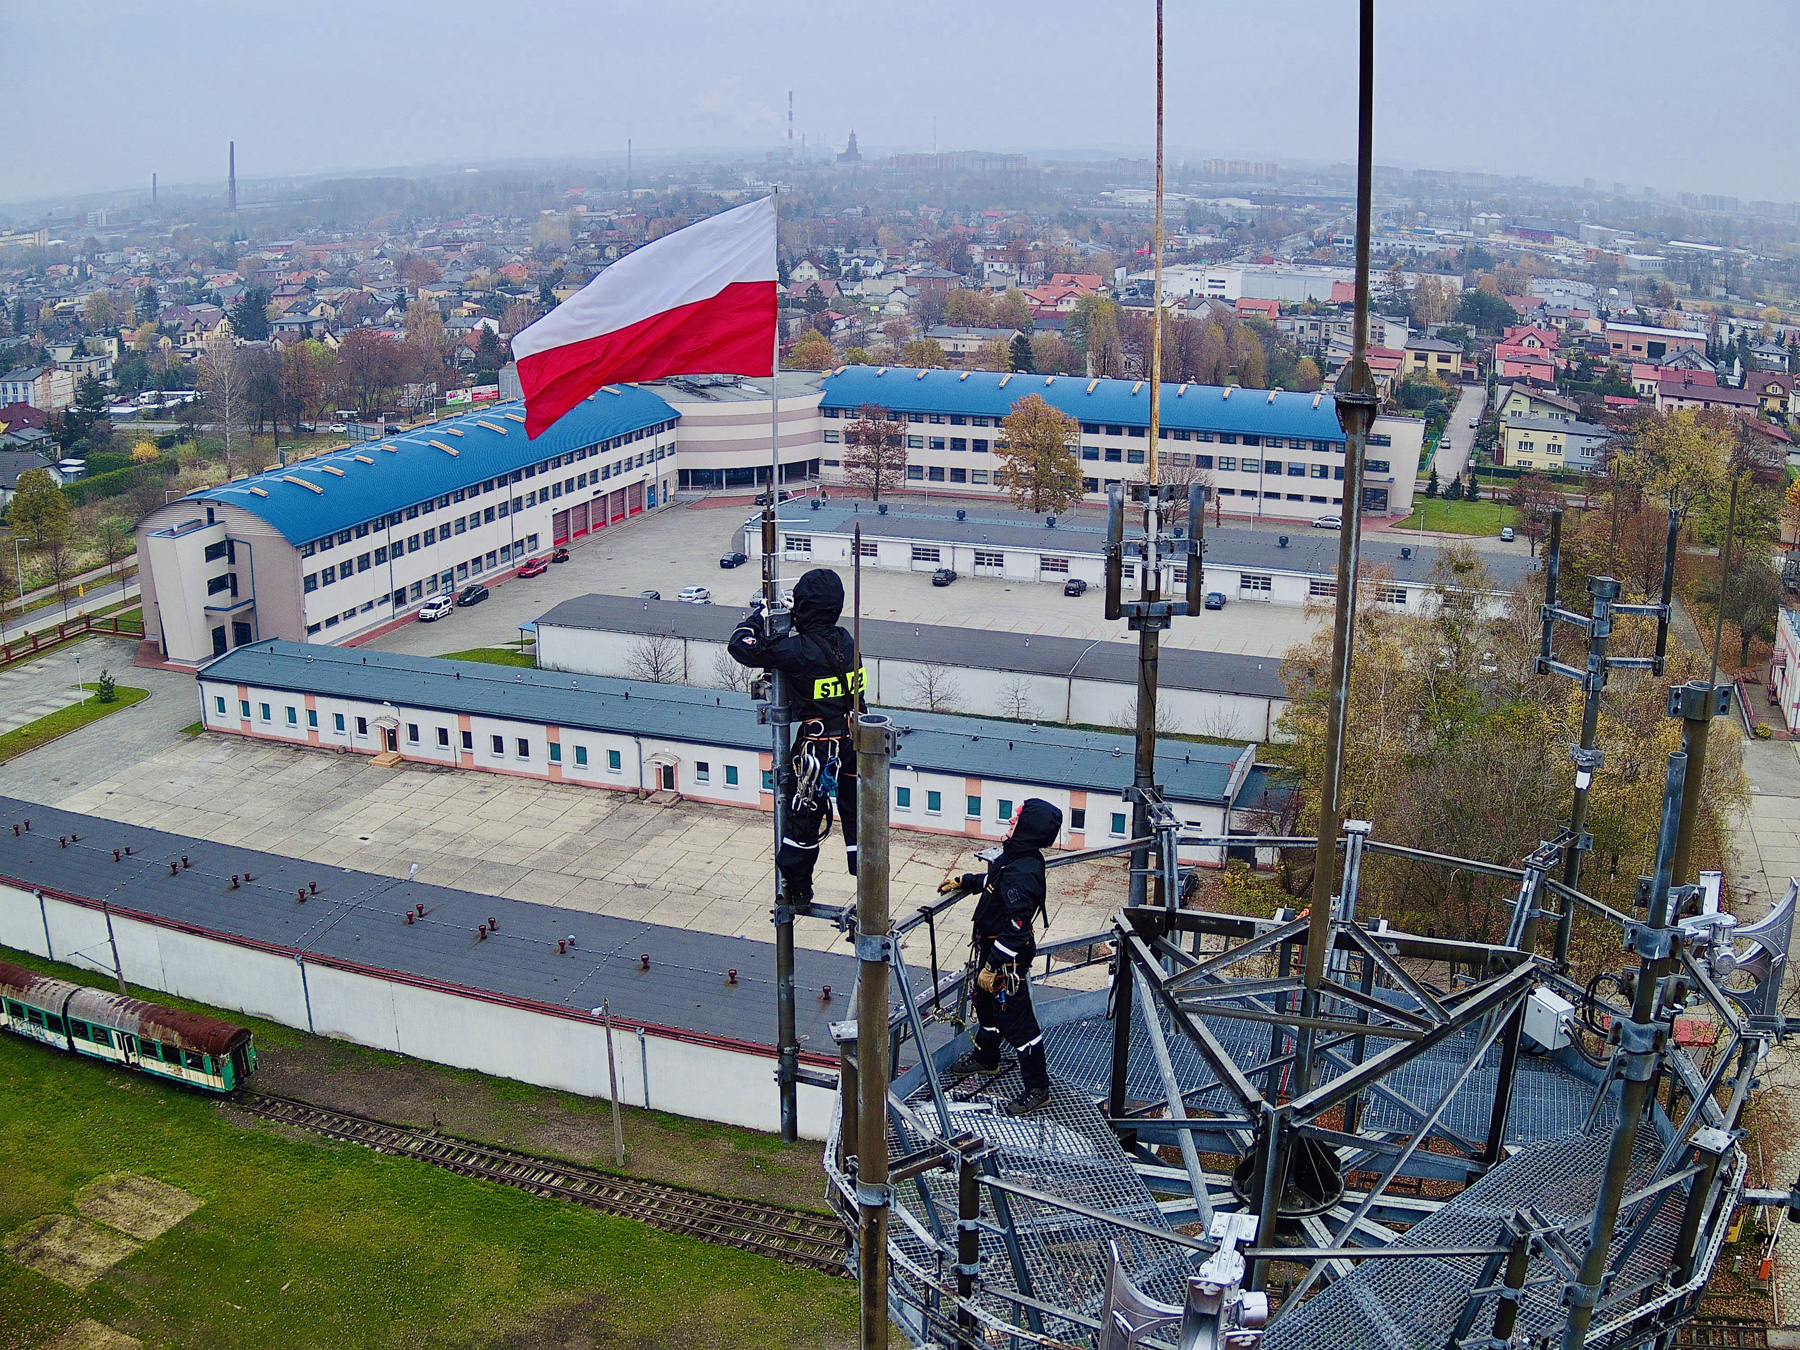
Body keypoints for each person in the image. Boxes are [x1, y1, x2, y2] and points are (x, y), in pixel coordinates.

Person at [727, 568, 863, 905]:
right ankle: (863, 870)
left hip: (818, 750)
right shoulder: (847, 640)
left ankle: (798, 889)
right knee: (855, 812)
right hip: (853, 743)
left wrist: (758, 617)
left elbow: (742, 647)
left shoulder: (800, 650)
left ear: (804, 606)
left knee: (803, 819)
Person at [940, 798, 1063, 1116]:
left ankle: (1038, 1089)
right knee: (986, 1008)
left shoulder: (1023, 872)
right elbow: (995, 884)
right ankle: (988, 1057)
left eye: (1017, 818)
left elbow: (1017, 929)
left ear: (1028, 828)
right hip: (992, 951)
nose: (1010, 820)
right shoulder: (1014, 858)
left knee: (1017, 1022)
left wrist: (994, 966)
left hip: (1006, 961)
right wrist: (966, 881)